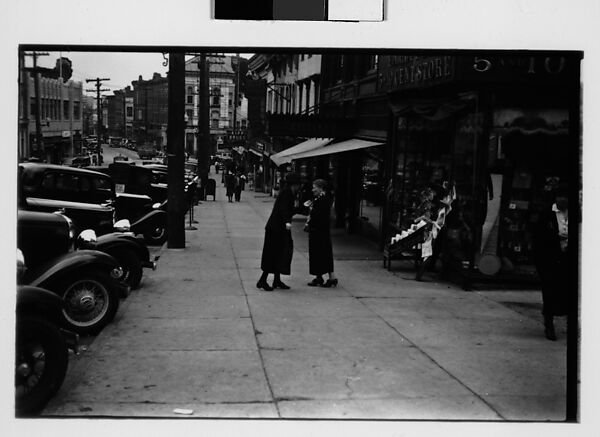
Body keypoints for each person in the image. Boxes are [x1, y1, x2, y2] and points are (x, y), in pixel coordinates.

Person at [533, 186, 569, 341]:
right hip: (550, 259)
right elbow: (539, 238)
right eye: (560, 197)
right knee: (549, 292)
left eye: (566, 197)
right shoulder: (547, 214)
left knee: (566, 293)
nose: (563, 200)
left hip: (567, 259)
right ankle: (549, 325)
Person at [257, 172, 302, 291]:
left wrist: (301, 209)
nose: (299, 187)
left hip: (278, 227)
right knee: (273, 253)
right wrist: (287, 221)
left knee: (279, 253)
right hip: (276, 228)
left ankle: (276, 280)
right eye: (298, 185)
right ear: (294, 184)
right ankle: (262, 280)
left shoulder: (288, 193)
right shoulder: (287, 193)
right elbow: (283, 209)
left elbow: (288, 209)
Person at [305, 179, 337, 288]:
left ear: (321, 188)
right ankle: (319, 277)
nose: (313, 189)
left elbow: (320, 217)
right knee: (317, 255)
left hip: (320, 232)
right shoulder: (318, 199)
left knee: (324, 254)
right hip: (317, 231)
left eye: (315, 187)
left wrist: (311, 220)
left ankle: (331, 278)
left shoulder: (323, 200)